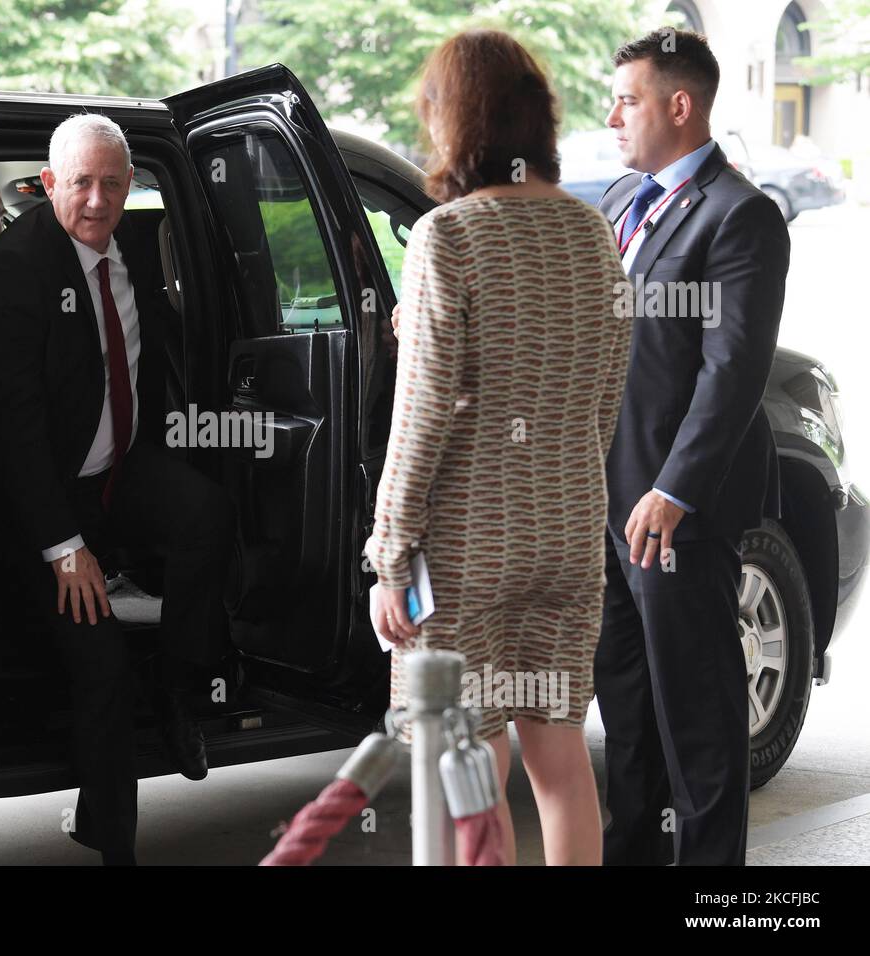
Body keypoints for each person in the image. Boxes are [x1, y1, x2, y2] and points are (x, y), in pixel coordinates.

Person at [366, 29, 631, 866]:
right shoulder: (595, 236)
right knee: (561, 768)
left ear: (455, 121)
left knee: (468, 772)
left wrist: (389, 556)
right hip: (566, 540)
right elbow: (604, 404)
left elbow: (425, 414)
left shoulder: (449, 236)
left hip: (468, 552)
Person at [0, 112, 235, 866]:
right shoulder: (16, 271)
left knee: (205, 515)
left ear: (130, 187)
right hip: (43, 501)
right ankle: (112, 837)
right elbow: (14, 434)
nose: (97, 200)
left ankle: (184, 691)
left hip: (119, 469)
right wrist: (65, 549)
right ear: (48, 185)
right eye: (81, 183)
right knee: (102, 666)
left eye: (112, 184)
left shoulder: (134, 256)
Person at [595, 28, 789, 866]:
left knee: (701, 730)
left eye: (628, 99)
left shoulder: (740, 215)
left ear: (680, 105)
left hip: (672, 515)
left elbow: (731, 374)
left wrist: (673, 490)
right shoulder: (616, 205)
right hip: (602, 507)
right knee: (628, 723)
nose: (612, 117)